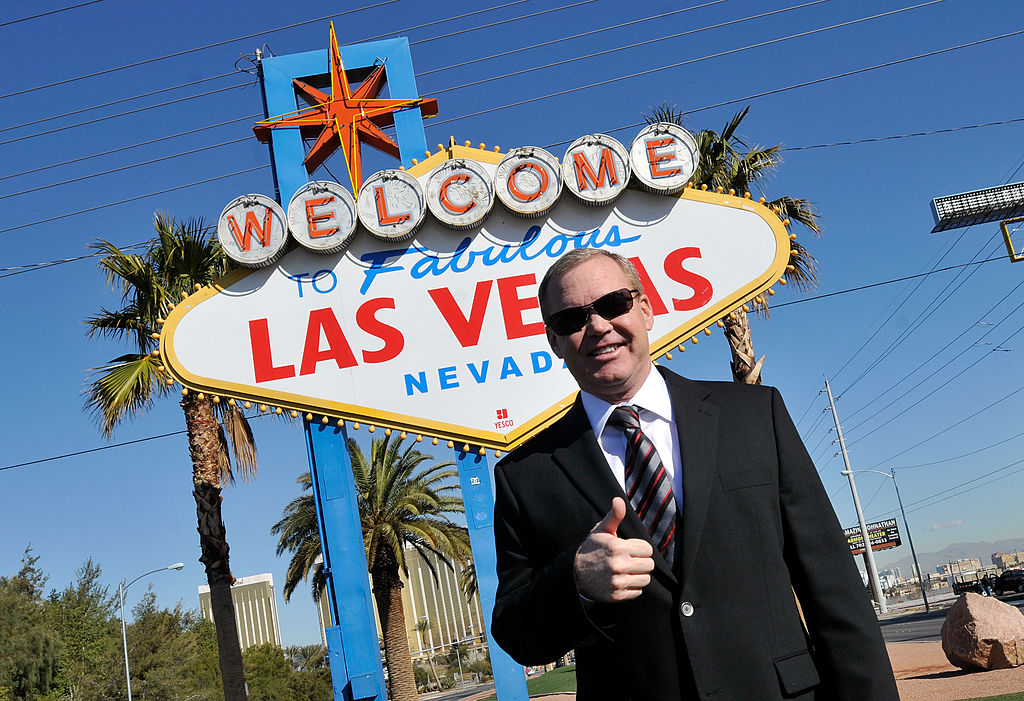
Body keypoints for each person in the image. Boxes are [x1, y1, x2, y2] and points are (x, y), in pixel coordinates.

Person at [491, 248, 898, 700]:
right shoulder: (525, 475)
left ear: (645, 310)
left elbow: (835, 590)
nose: (599, 327)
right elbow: (516, 632)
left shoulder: (755, 416)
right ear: (554, 341)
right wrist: (577, 583)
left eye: (612, 305)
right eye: (572, 318)